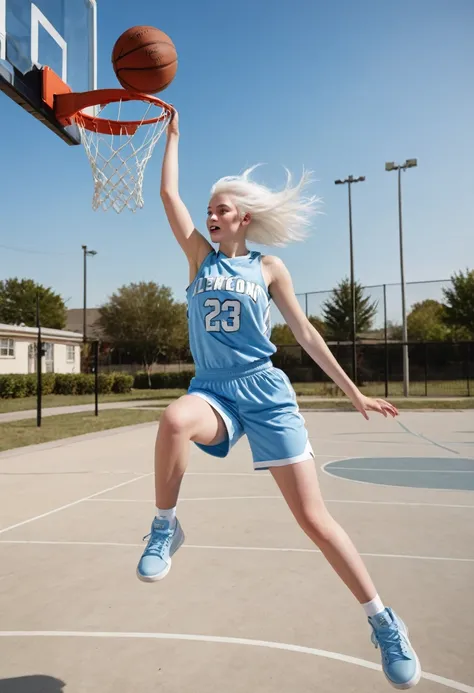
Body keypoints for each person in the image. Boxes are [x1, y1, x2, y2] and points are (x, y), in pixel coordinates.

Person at [136, 112, 421, 689]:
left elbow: (308, 336)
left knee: (314, 520)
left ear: (243, 216)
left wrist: (354, 392)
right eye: (209, 209)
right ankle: (165, 526)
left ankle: (384, 622)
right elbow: (168, 193)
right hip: (212, 392)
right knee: (172, 420)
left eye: (221, 208)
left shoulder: (269, 268)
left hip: (265, 395)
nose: (211, 215)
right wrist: (171, 139)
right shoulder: (199, 258)